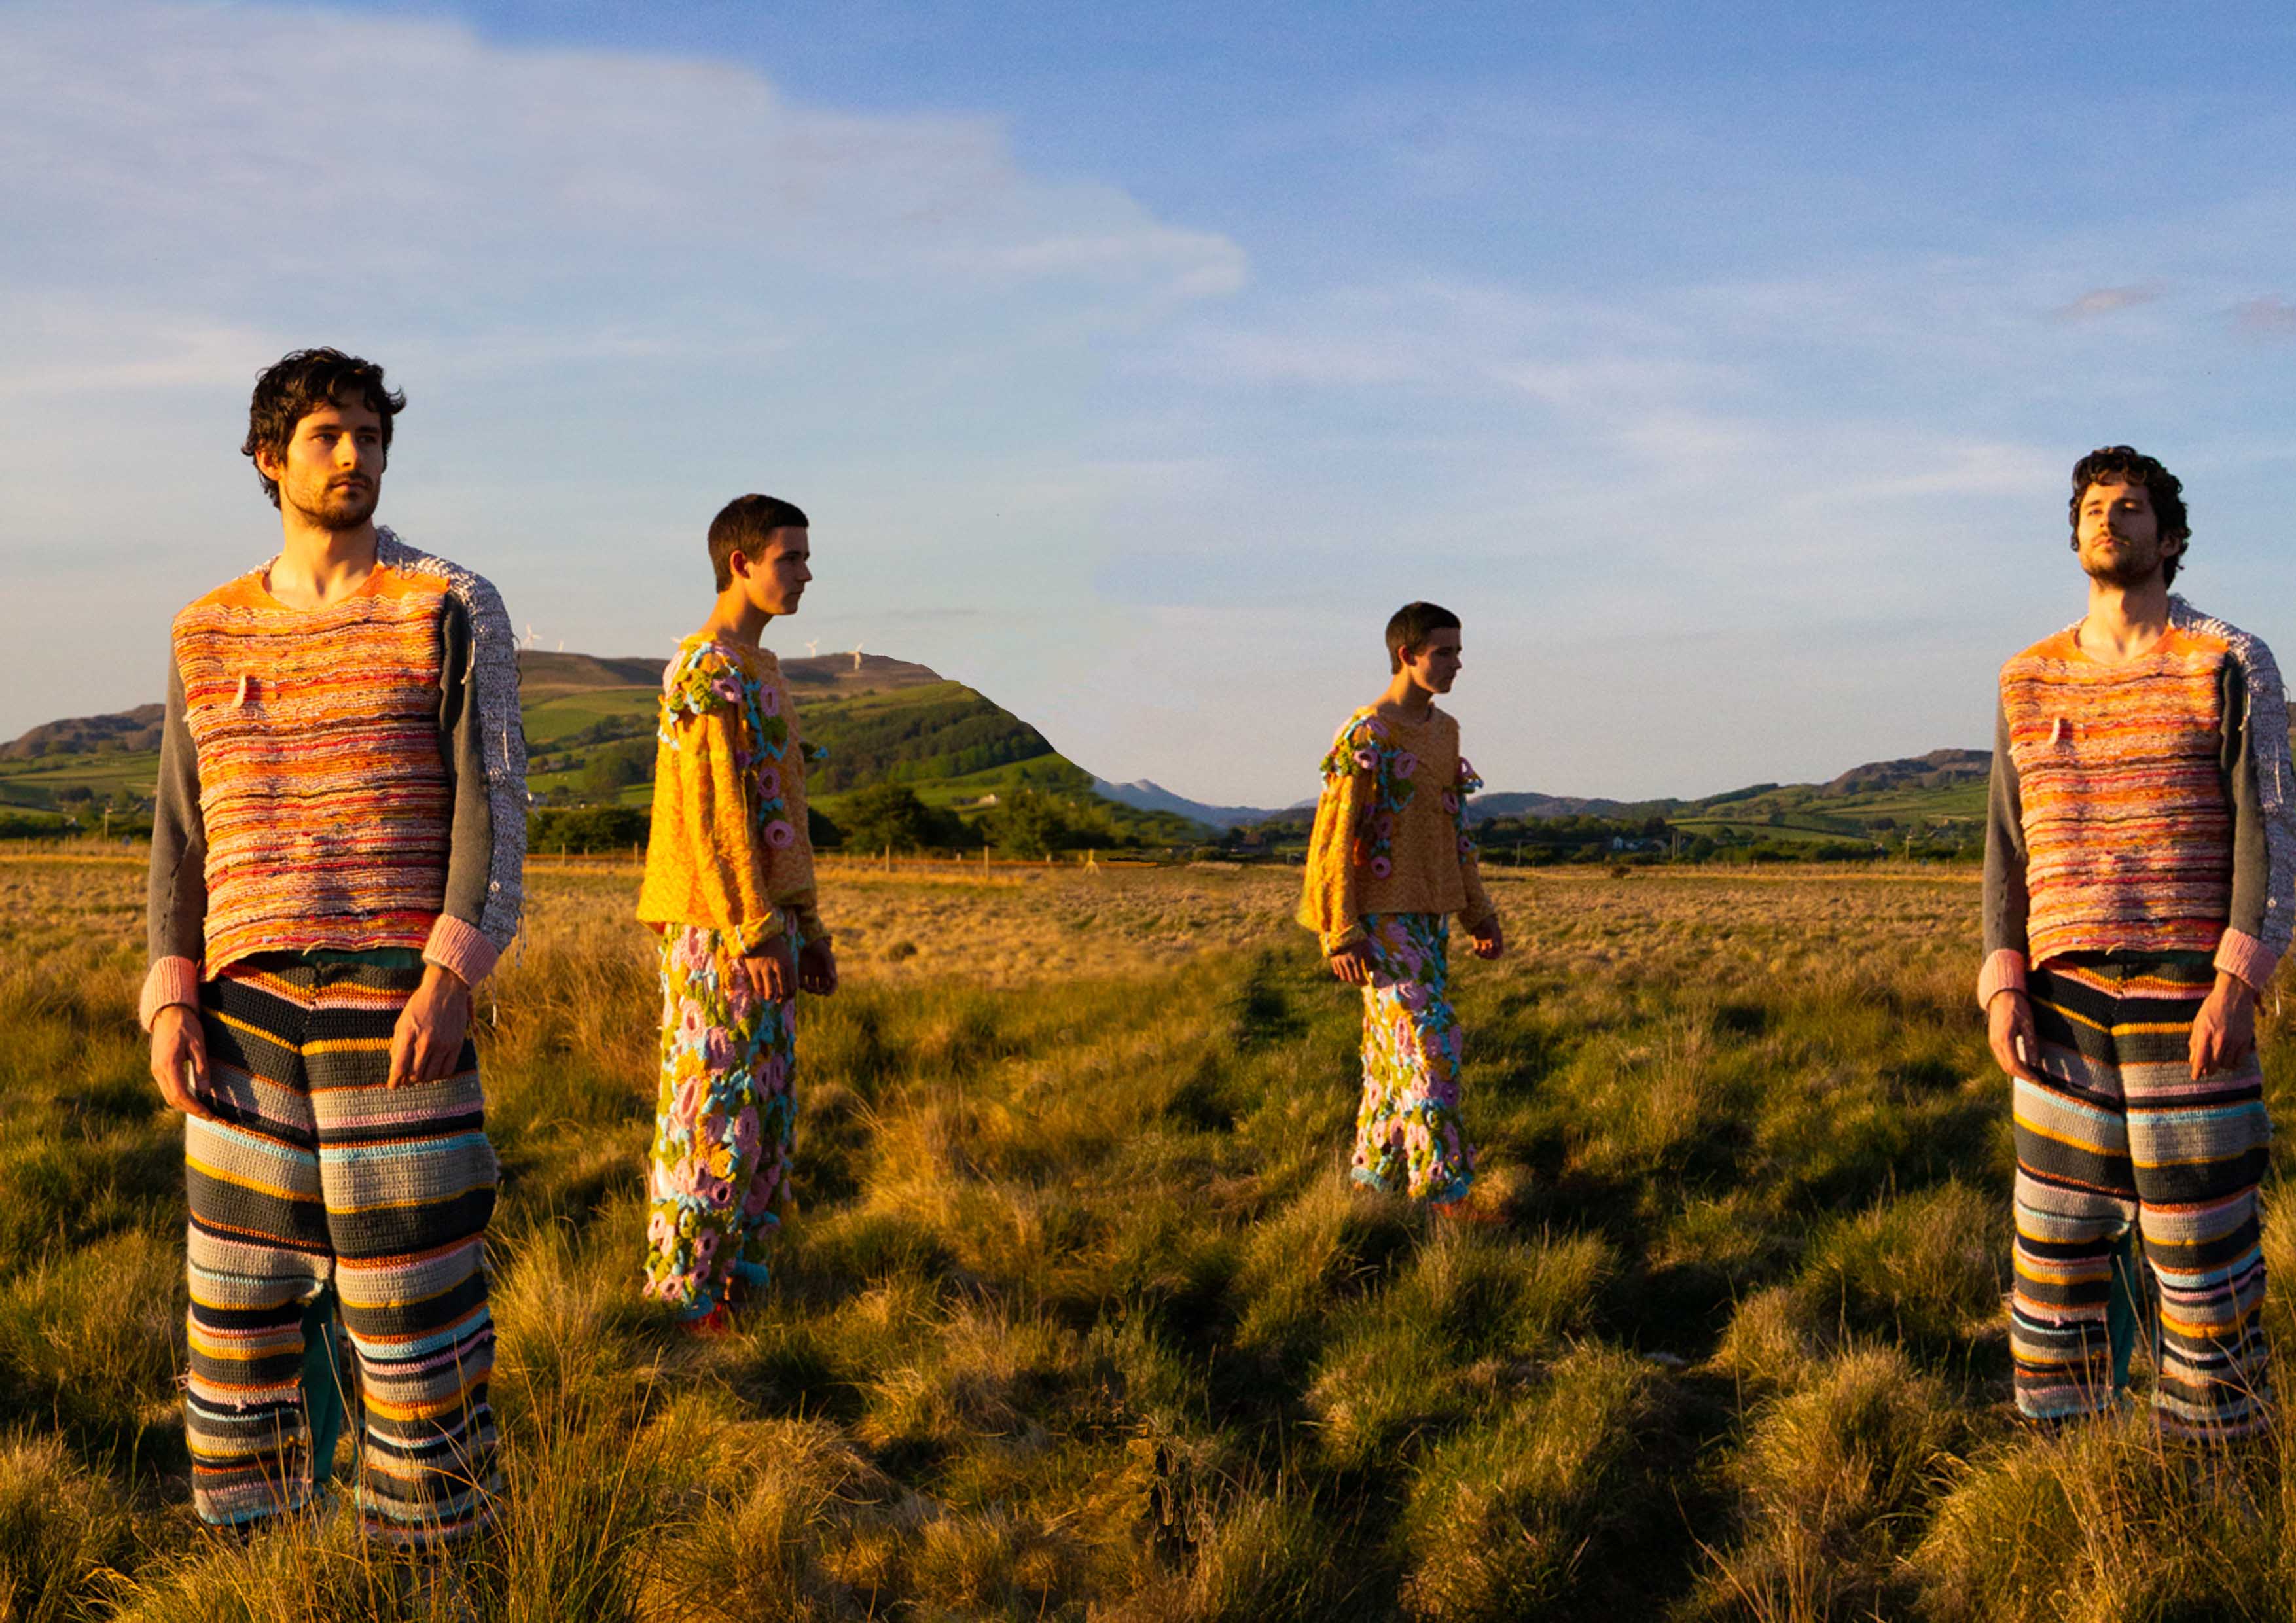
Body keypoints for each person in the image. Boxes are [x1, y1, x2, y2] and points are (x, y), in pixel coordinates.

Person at [143, 349, 526, 1542]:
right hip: (242, 1004)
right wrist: (169, 996)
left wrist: (456, 967)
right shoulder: (205, 628)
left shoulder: (450, 602)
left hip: (393, 998)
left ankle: (433, 1558)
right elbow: (177, 826)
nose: (355, 455)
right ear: (270, 459)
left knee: (413, 1300)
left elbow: (495, 798)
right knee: (241, 1307)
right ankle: (257, 1563)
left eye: (369, 433)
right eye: (326, 435)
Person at [1982, 445, 2293, 1439]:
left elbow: (2272, 827)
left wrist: (2241, 978)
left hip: (2187, 992)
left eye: (2132, 508)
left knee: (2200, 1244)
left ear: (2170, 535)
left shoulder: (2231, 661)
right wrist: (2003, 985)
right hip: (2061, 997)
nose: (2108, 522)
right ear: (2073, 533)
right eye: (2093, 509)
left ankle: (2218, 1458)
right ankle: (2064, 1462)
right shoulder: (2027, 676)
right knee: (2058, 1246)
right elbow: (2004, 842)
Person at [636, 494, 838, 1332]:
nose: (804, 573)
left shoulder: (764, 670)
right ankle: (680, 1299)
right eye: (789, 557)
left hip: (770, 925)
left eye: (803, 557)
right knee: (711, 1104)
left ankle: (733, 1282)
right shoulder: (703, 669)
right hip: (721, 925)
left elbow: (778, 813)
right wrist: (753, 926)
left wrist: (809, 927)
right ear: (740, 563)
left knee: (766, 1108)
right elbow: (715, 812)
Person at [1299, 601, 1504, 1211]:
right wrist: (1339, 930)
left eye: (1459, 652)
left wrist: (1478, 912)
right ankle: (1444, 1196)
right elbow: (1333, 836)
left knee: (1394, 1058)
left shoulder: (1446, 732)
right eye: (1444, 652)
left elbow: (1454, 829)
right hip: (1379, 923)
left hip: (1430, 917)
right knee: (1433, 1045)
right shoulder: (1366, 734)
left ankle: (1375, 1187)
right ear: (1406, 655)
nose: (1456, 664)